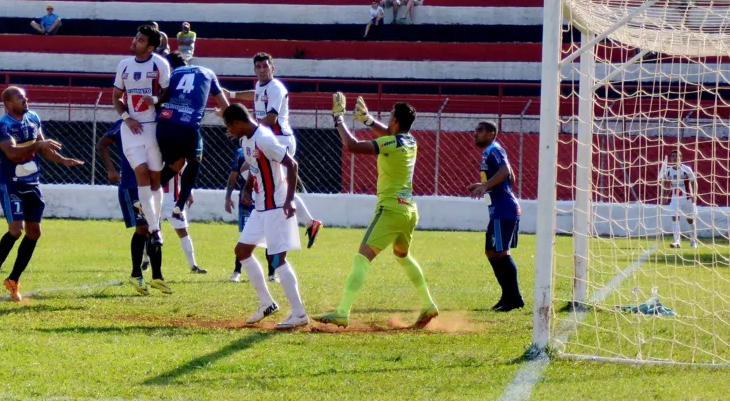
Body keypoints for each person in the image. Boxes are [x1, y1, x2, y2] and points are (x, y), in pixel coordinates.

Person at [315, 97, 438, 328]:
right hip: (409, 210)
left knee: (362, 257)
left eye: (390, 115)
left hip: (390, 208)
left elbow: (351, 146)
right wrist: (368, 120)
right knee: (402, 255)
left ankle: (342, 311)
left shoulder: (390, 144)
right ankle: (428, 303)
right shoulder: (411, 141)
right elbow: (389, 135)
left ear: (395, 120)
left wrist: (338, 119)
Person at [0, 87, 84, 302]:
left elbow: (44, 148)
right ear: (9, 103)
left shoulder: (33, 117)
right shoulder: (2, 125)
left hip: (32, 182)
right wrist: (38, 144)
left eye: (24, 96)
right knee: (16, 230)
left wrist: (62, 160)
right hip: (11, 183)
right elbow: (11, 153)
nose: (25, 99)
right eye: (20, 97)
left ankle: (14, 279)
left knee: (34, 232)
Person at [223, 53, 325, 246]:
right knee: (266, 179)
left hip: (280, 140)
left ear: (272, 68)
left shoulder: (276, 87)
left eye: (265, 66)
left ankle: (283, 217)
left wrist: (245, 127)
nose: (262, 70)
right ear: (255, 70)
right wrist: (233, 95)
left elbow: (271, 120)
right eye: (258, 67)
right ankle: (310, 222)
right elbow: (255, 94)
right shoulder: (260, 86)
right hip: (267, 140)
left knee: (266, 179)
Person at [221, 104, 307, 329]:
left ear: (238, 122)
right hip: (261, 208)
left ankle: (299, 314)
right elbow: (256, 167)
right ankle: (266, 303)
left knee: (278, 260)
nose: (229, 131)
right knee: (242, 251)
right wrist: (248, 188)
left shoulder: (265, 139)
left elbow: (292, 164)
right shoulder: (246, 140)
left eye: (229, 126)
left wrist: (289, 200)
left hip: (276, 206)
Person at [113, 24, 172, 275]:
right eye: (135, 37)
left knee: (156, 178)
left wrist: (156, 100)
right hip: (132, 129)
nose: (134, 41)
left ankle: (154, 224)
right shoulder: (124, 65)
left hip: (152, 127)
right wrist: (127, 117)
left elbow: (169, 93)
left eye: (139, 40)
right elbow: (116, 97)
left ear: (150, 46)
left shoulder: (160, 64)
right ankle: (156, 230)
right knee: (141, 175)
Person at [154, 52, 230, 221]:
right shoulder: (207, 72)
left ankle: (148, 193)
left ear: (170, 67)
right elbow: (225, 105)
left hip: (164, 126)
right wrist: (229, 123)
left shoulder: (171, 74)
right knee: (194, 161)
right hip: (187, 127)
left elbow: (159, 98)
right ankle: (179, 207)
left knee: (175, 164)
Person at [468, 121, 524, 312]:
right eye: (476, 130)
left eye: (480, 131)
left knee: (501, 253)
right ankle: (507, 296)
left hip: (504, 210)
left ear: (491, 134)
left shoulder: (494, 149)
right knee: (491, 252)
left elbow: (506, 172)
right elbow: (511, 178)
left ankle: (514, 298)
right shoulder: (490, 152)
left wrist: (486, 185)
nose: (475, 133)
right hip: (499, 209)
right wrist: (483, 184)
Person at [97, 121, 158, 292]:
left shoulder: (157, 121)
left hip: (151, 185)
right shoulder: (122, 124)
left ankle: (155, 275)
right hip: (131, 185)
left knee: (152, 228)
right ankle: (136, 274)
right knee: (142, 227)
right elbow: (102, 144)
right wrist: (111, 170)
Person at [225, 145, 277, 283]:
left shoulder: (271, 148)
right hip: (248, 202)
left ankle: (272, 274)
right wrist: (228, 196)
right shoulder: (240, 152)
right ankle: (237, 272)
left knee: (271, 237)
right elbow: (234, 174)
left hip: (268, 203)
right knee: (246, 237)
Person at [160, 165, 207, 274]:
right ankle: (145, 261)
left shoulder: (179, 157)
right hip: (155, 197)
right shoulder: (154, 154)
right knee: (149, 230)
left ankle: (193, 265)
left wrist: (189, 193)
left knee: (182, 230)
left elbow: (186, 176)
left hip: (173, 200)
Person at [658, 150, 697, 249]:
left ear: (680, 158)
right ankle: (677, 241)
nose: (674, 158)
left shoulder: (687, 169)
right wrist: (665, 196)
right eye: (673, 156)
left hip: (687, 198)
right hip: (675, 199)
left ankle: (693, 241)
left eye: (676, 156)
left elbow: (693, 182)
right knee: (674, 217)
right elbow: (667, 185)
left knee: (690, 220)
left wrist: (694, 194)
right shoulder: (668, 171)